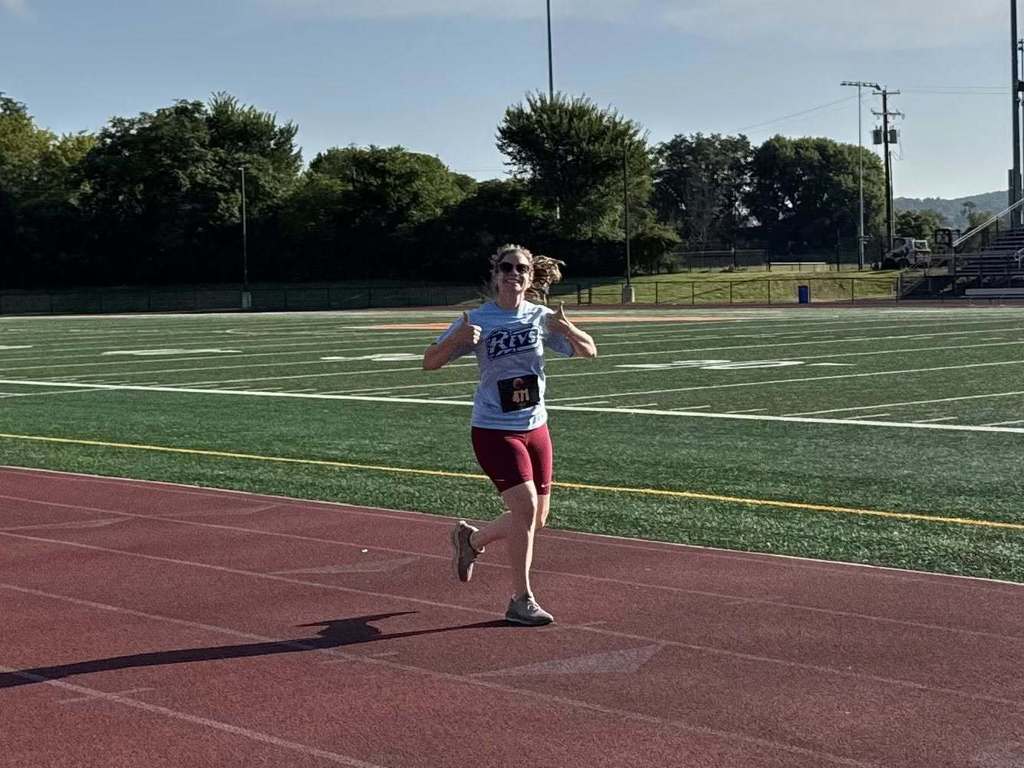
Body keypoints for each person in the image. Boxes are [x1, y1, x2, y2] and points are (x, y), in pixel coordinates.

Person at [422, 244, 597, 626]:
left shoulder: (541, 317)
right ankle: (522, 599)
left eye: (521, 268)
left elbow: (589, 351)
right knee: (525, 509)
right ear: (495, 274)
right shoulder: (476, 319)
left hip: (536, 427)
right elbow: (429, 362)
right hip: (494, 429)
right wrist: (457, 341)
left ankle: (471, 541)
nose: (512, 274)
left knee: (536, 520)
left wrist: (566, 328)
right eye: (506, 267)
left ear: (530, 277)